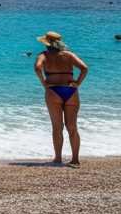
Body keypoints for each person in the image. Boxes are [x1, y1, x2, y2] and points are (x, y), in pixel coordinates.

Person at [33, 32, 87, 167]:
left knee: (57, 127)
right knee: (72, 127)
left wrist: (44, 83)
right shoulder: (69, 55)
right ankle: (75, 160)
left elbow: (37, 67)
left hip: (53, 91)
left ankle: (58, 158)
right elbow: (84, 68)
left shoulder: (44, 55)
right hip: (70, 91)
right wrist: (78, 84)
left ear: (47, 43)